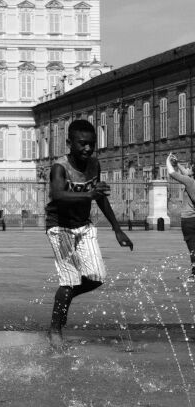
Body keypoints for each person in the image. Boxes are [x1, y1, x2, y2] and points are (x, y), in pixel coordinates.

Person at [45, 119, 133, 352]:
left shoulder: (94, 164)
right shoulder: (59, 167)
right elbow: (58, 195)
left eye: (91, 144)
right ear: (69, 143)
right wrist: (89, 195)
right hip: (59, 227)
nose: (87, 148)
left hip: (84, 226)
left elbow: (100, 197)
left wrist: (117, 228)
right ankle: (55, 330)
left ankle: (66, 298)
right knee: (69, 278)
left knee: (97, 276)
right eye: (82, 144)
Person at [166, 153, 195, 278]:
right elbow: (185, 173)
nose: (186, 169)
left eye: (189, 167)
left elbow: (172, 173)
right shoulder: (191, 181)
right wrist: (177, 163)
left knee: (193, 248)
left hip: (189, 220)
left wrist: (168, 160)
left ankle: (194, 274)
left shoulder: (190, 182)